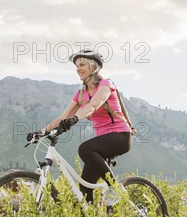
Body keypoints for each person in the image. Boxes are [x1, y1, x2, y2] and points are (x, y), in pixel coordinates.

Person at [38, 49, 133, 202]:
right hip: (102, 141)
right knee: (84, 189)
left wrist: (75, 118)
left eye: (82, 64)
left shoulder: (105, 85)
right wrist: (41, 132)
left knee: (85, 149)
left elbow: (94, 105)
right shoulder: (81, 93)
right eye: (76, 66)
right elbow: (63, 116)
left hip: (120, 136)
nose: (78, 69)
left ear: (93, 66)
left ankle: (115, 189)